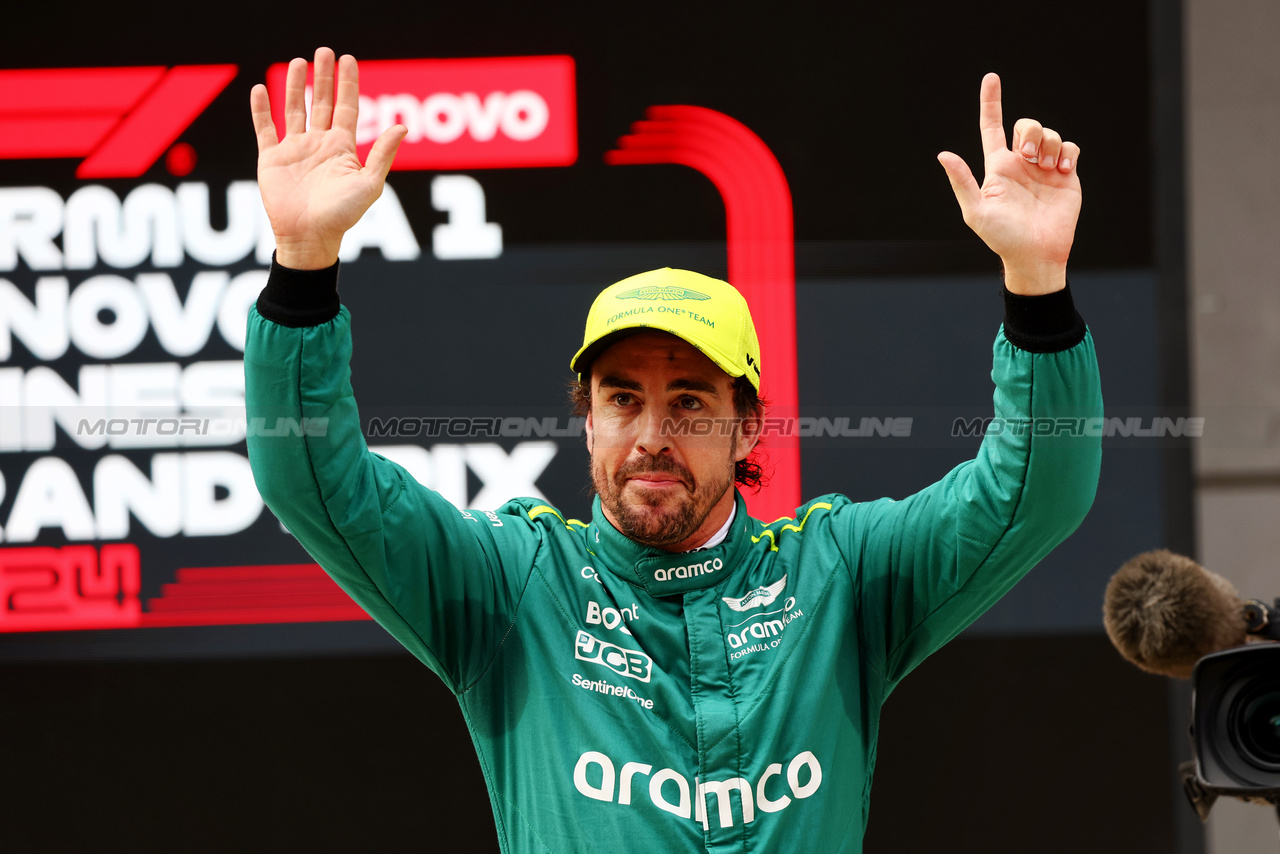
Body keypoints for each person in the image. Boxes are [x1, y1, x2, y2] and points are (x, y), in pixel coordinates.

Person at [245, 47, 1101, 853]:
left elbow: (1033, 495)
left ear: (746, 425)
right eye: (623, 399)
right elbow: (315, 480)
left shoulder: (838, 577)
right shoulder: (512, 586)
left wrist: (1037, 285)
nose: (652, 435)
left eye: (689, 402)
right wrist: (304, 261)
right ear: (588, 420)